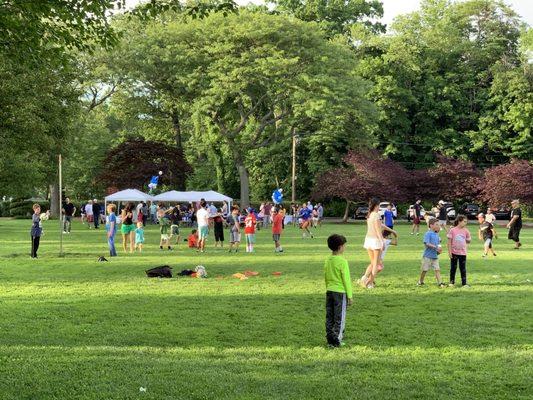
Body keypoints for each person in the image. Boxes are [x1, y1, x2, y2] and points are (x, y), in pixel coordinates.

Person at [324, 234, 353, 347]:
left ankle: (330, 338)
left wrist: (328, 287)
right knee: (339, 316)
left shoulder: (328, 260)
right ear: (340, 247)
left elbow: (326, 275)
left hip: (329, 291)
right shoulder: (342, 261)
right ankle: (337, 340)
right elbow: (346, 279)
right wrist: (349, 296)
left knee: (330, 316)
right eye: (344, 246)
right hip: (340, 293)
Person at [362, 198, 383, 289]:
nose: (379, 207)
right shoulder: (377, 215)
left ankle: (364, 278)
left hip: (368, 240)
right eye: (379, 205)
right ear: (376, 205)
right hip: (375, 241)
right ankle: (370, 283)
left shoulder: (369, 215)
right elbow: (378, 231)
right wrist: (382, 242)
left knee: (373, 263)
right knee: (376, 264)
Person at [417, 218, 445, 287]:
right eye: (436, 224)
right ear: (431, 225)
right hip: (427, 256)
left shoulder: (436, 234)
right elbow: (426, 243)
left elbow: (438, 244)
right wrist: (435, 247)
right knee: (424, 270)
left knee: (437, 269)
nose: (438, 226)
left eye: (438, 224)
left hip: (435, 256)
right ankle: (420, 281)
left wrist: (439, 249)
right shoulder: (428, 233)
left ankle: (440, 283)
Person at [447, 215, 472, 288]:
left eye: (466, 222)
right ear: (459, 221)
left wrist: (468, 240)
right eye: (464, 221)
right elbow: (449, 242)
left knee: (463, 268)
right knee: (453, 268)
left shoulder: (466, 230)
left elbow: (469, 240)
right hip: (454, 252)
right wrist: (449, 252)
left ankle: (464, 283)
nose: (465, 223)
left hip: (463, 253)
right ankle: (451, 282)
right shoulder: (452, 230)